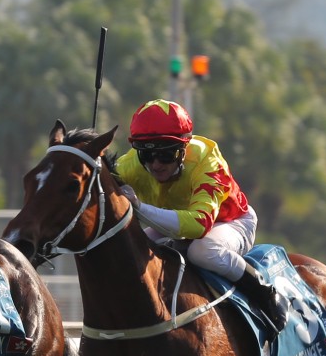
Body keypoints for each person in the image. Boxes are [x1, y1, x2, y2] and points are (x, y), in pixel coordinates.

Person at [114, 98, 288, 333]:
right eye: (146, 155)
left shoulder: (208, 161)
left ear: (183, 149)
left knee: (201, 251)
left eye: (165, 155)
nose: (155, 164)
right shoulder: (132, 164)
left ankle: (265, 292)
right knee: (130, 250)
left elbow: (198, 225)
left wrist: (139, 208)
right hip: (174, 220)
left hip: (229, 222)